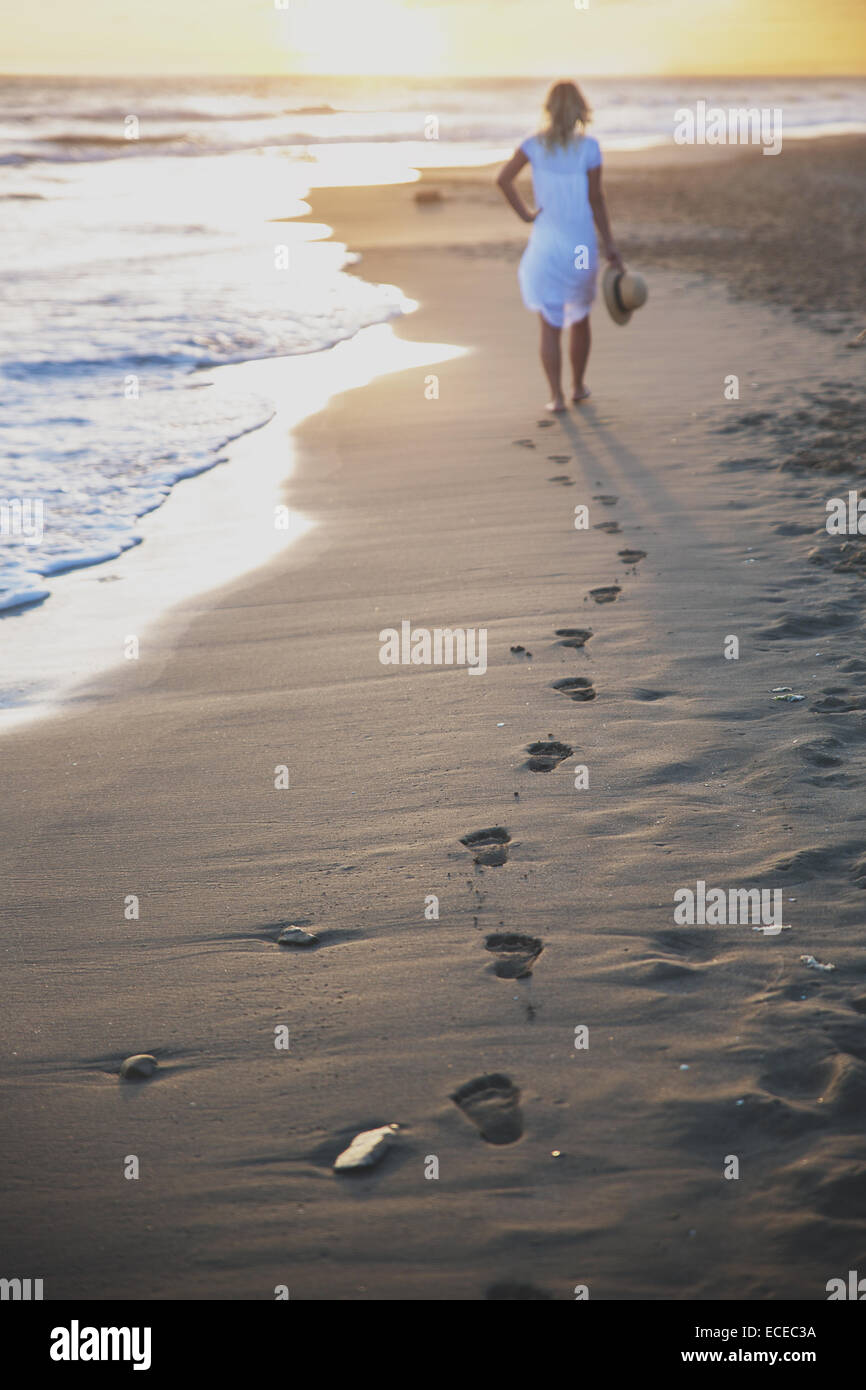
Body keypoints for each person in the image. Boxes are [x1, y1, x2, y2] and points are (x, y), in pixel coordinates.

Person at [497, 80, 624, 412]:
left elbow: (503, 180)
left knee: (550, 322)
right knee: (580, 318)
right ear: (580, 110)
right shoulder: (590, 148)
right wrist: (610, 245)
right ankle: (578, 386)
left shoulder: (533, 146)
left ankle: (555, 397)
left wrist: (525, 214)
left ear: (549, 110)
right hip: (580, 248)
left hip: (546, 246)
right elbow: (596, 200)